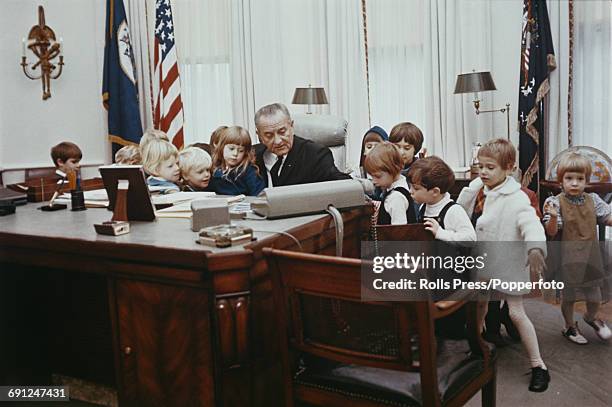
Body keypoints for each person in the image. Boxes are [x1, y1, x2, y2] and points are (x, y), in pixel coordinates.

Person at [457, 138, 550, 392]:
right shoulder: (486, 190)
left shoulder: (517, 198)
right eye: (481, 166)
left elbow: (531, 223)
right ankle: (477, 349)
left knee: (516, 313)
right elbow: (461, 206)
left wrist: (534, 247)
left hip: (508, 263)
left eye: (490, 167)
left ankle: (538, 365)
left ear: (509, 169)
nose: (483, 172)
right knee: (480, 307)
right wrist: (478, 180)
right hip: (486, 262)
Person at [543, 152, 612, 345]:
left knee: (594, 295)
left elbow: (606, 218)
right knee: (570, 296)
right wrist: (554, 217)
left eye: (580, 179)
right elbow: (551, 231)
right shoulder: (554, 202)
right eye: (569, 178)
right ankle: (568, 326)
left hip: (591, 255)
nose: (574, 183)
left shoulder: (594, 200)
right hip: (568, 256)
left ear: (586, 181)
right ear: (560, 181)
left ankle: (591, 317)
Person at [254, 103, 350, 187]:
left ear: (291, 126)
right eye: (269, 135)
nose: (278, 141)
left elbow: (340, 184)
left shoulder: (315, 155)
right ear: (259, 135)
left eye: (282, 132)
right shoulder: (250, 156)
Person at [364, 143, 418, 225]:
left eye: (378, 176)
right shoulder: (393, 189)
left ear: (393, 170)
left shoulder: (396, 198)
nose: (374, 181)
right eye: (372, 176)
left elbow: (398, 232)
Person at [210, 126, 265, 196]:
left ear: (245, 152)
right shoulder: (215, 170)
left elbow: (259, 196)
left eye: (241, 151)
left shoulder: (250, 172)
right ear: (221, 147)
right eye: (231, 149)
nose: (235, 154)